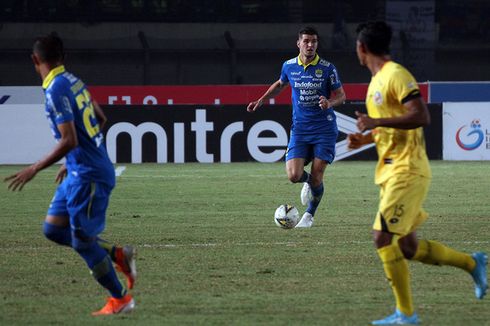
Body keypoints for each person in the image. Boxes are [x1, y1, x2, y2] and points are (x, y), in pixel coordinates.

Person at [348, 21, 487, 325]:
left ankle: (406, 315)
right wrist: (366, 137)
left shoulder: (395, 75)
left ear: (362, 48)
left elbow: (420, 115)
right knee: (408, 247)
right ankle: (472, 263)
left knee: (382, 237)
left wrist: (374, 124)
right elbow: (390, 124)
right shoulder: (375, 82)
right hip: (390, 172)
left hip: (406, 170)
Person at [4, 34, 137, 315]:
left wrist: (34, 169)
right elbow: (100, 119)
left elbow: (70, 139)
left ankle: (121, 299)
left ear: (35, 60)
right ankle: (117, 255)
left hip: (88, 174)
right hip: (80, 168)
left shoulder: (55, 89)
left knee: (82, 242)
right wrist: (73, 158)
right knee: (53, 229)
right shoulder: (73, 81)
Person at [247, 26, 346, 228]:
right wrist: (262, 99)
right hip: (300, 129)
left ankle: (309, 214)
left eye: (314, 41)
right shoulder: (289, 66)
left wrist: (329, 103)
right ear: (298, 43)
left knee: (318, 174)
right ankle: (308, 183)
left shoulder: (328, 68)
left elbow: (342, 96)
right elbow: (280, 84)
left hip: (324, 129)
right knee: (293, 176)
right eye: (306, 41)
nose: (310, 45)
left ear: (317, 44)